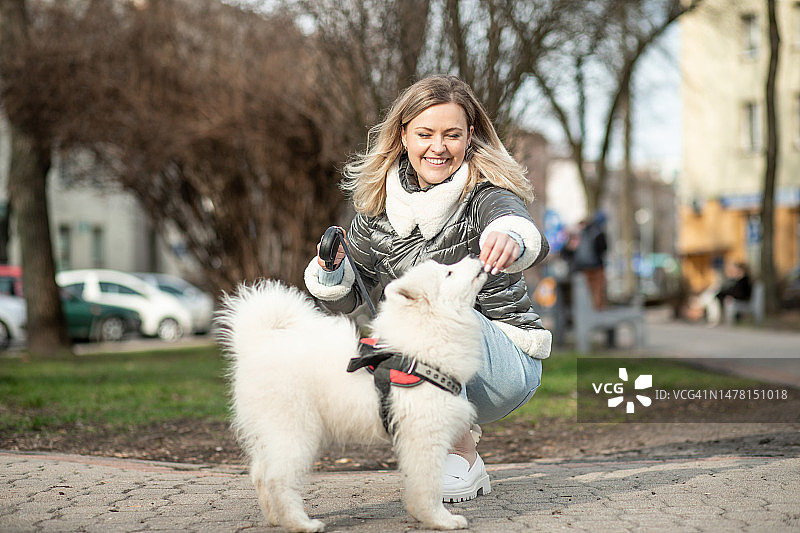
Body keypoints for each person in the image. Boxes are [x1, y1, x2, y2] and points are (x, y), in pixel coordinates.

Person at [304, 75, 551, 502]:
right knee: (385, 329)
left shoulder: (485, 194)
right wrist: (333, 272)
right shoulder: (377, 212)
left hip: (505, 363)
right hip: (435, 360)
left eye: (452, 135)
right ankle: (458, 455)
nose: (438, 146)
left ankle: (459, 452)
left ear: (469, 136)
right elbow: (355, 303)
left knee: (432, 311)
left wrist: (511, 237)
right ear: (403, 135)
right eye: (426, 133)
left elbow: (520, 227)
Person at [565, 213, 608, 309]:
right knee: (598, 290)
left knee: (586, 291)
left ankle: (589, 310)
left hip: (583, 268)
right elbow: (604, 248)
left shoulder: (578, 235)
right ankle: (598, 310)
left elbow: (567, 252)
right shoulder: (598, 232)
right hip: (597, 267)